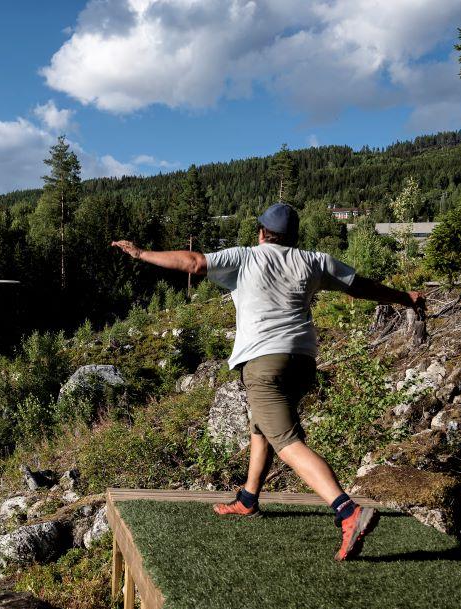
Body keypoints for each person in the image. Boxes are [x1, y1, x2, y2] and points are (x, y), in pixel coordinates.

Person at [112, 203, 425, 561]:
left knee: (287, 441)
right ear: (293, 237)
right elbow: (359, 287)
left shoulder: (246, 257)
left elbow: (194, 263)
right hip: (302, 362)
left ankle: (347, 511)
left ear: (261, 233)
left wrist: (140, 253)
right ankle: (248, 498)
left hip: (264, 364)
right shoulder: (313, 260)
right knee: (261, 426)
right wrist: (405, 298)